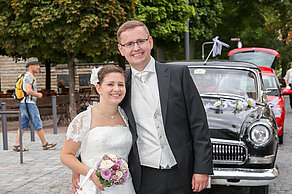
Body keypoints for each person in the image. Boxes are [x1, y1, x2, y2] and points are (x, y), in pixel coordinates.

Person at [72, 20, 213, 194]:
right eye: (129, 44)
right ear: (121, 49)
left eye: (140, 41)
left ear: (150, 42)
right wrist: (79, 167)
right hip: (143, 176)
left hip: (184, 172)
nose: (136, 48)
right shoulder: (121, 85)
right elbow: (103, 122)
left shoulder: (179, 74)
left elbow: (199, 124)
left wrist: (202, 168)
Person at [61, 65, 135, 194]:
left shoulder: (126, 116)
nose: (116, 89)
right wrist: (89, 173)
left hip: (124, 187)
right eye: (110, 84)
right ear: (99, 88)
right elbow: (66, 155)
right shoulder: (83, 120)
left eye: (121, 84)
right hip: (93, 186)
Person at [13, 58, 57, 152]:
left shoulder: (26, 75)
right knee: (37, 123)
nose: (38, 67)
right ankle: (45, 144)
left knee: (23, 125)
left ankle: (17, 145)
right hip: (29, 104)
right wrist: (38, 94)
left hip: (24, 103)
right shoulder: (29, 77)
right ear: (30, 66)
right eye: (36, 65)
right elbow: (28, 90)